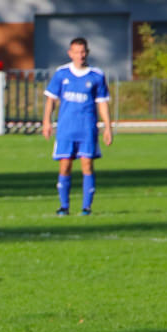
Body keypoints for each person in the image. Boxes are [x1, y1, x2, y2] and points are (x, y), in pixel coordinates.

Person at [42, 37, 112, 216]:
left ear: (87, 53)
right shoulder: (61, 73)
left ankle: (86, 207)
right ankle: (64, 206)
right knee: (65, 165)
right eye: (76, 52)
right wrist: (47, 122)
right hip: (66, 129)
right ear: (70, 53)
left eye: (83, 52)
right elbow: (51, 99)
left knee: (87, 165)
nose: (80, 55)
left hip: (87, 129)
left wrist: (108, 127)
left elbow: (102, 102)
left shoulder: (96, 75)